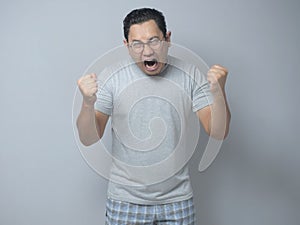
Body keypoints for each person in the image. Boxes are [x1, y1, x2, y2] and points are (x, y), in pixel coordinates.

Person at [76, 8, 231, 225]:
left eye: (153, 41)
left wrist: (219, 93)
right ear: (126, 46)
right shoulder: (112, 77)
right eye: (137, 44)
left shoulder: (190, 74)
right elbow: (88, 137)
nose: (147, 52)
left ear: (167, 39)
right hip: (125, 201)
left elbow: (218, 132)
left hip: (177, 200)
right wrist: (87, 102)